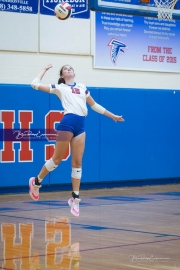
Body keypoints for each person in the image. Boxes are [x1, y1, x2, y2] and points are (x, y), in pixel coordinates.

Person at [29, 64, 125, 217]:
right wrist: (44, 70)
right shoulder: (59, 87)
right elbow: (34, 84)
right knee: (56, 160)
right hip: (67, 123)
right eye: (65, 69)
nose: (69, 69)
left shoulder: (82, 87)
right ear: (61, 75)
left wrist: (112, 115)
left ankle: (75, 198)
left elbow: (94, 106)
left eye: (71, 68)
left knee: (78, 163)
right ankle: (37, 182)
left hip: (81, 125)